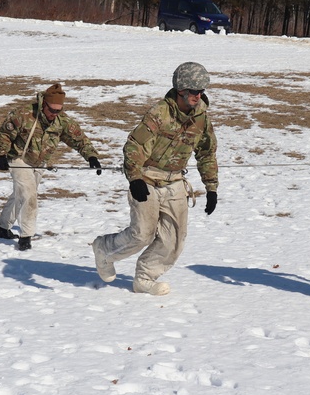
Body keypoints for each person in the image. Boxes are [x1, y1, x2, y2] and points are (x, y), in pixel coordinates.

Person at [91, 62, 219, 296]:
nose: (198, 96)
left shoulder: (201, 117)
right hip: (147, 178)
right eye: (193, 91)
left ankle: (145, 278)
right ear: (180, 90)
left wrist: (211, 187)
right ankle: (104, 249)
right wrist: (135, 178)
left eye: (201, 91)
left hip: (175, 182)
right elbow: (134, 146)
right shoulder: (159, 113)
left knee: (174, 240)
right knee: (142, 234)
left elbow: (207, 152)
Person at [0, 83, 102, 250]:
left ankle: (2, 227)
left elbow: (79, 140)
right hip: (19, 159)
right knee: (29, 196)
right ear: (44, 104)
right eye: (52, 110)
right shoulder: (23, 114)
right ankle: (26, 236)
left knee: (19, 195)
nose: (54, 114)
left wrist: (91, 156)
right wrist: (1, 154)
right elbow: (4, 134)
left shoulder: (62, 121)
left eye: (58, 110)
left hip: (39, 164)